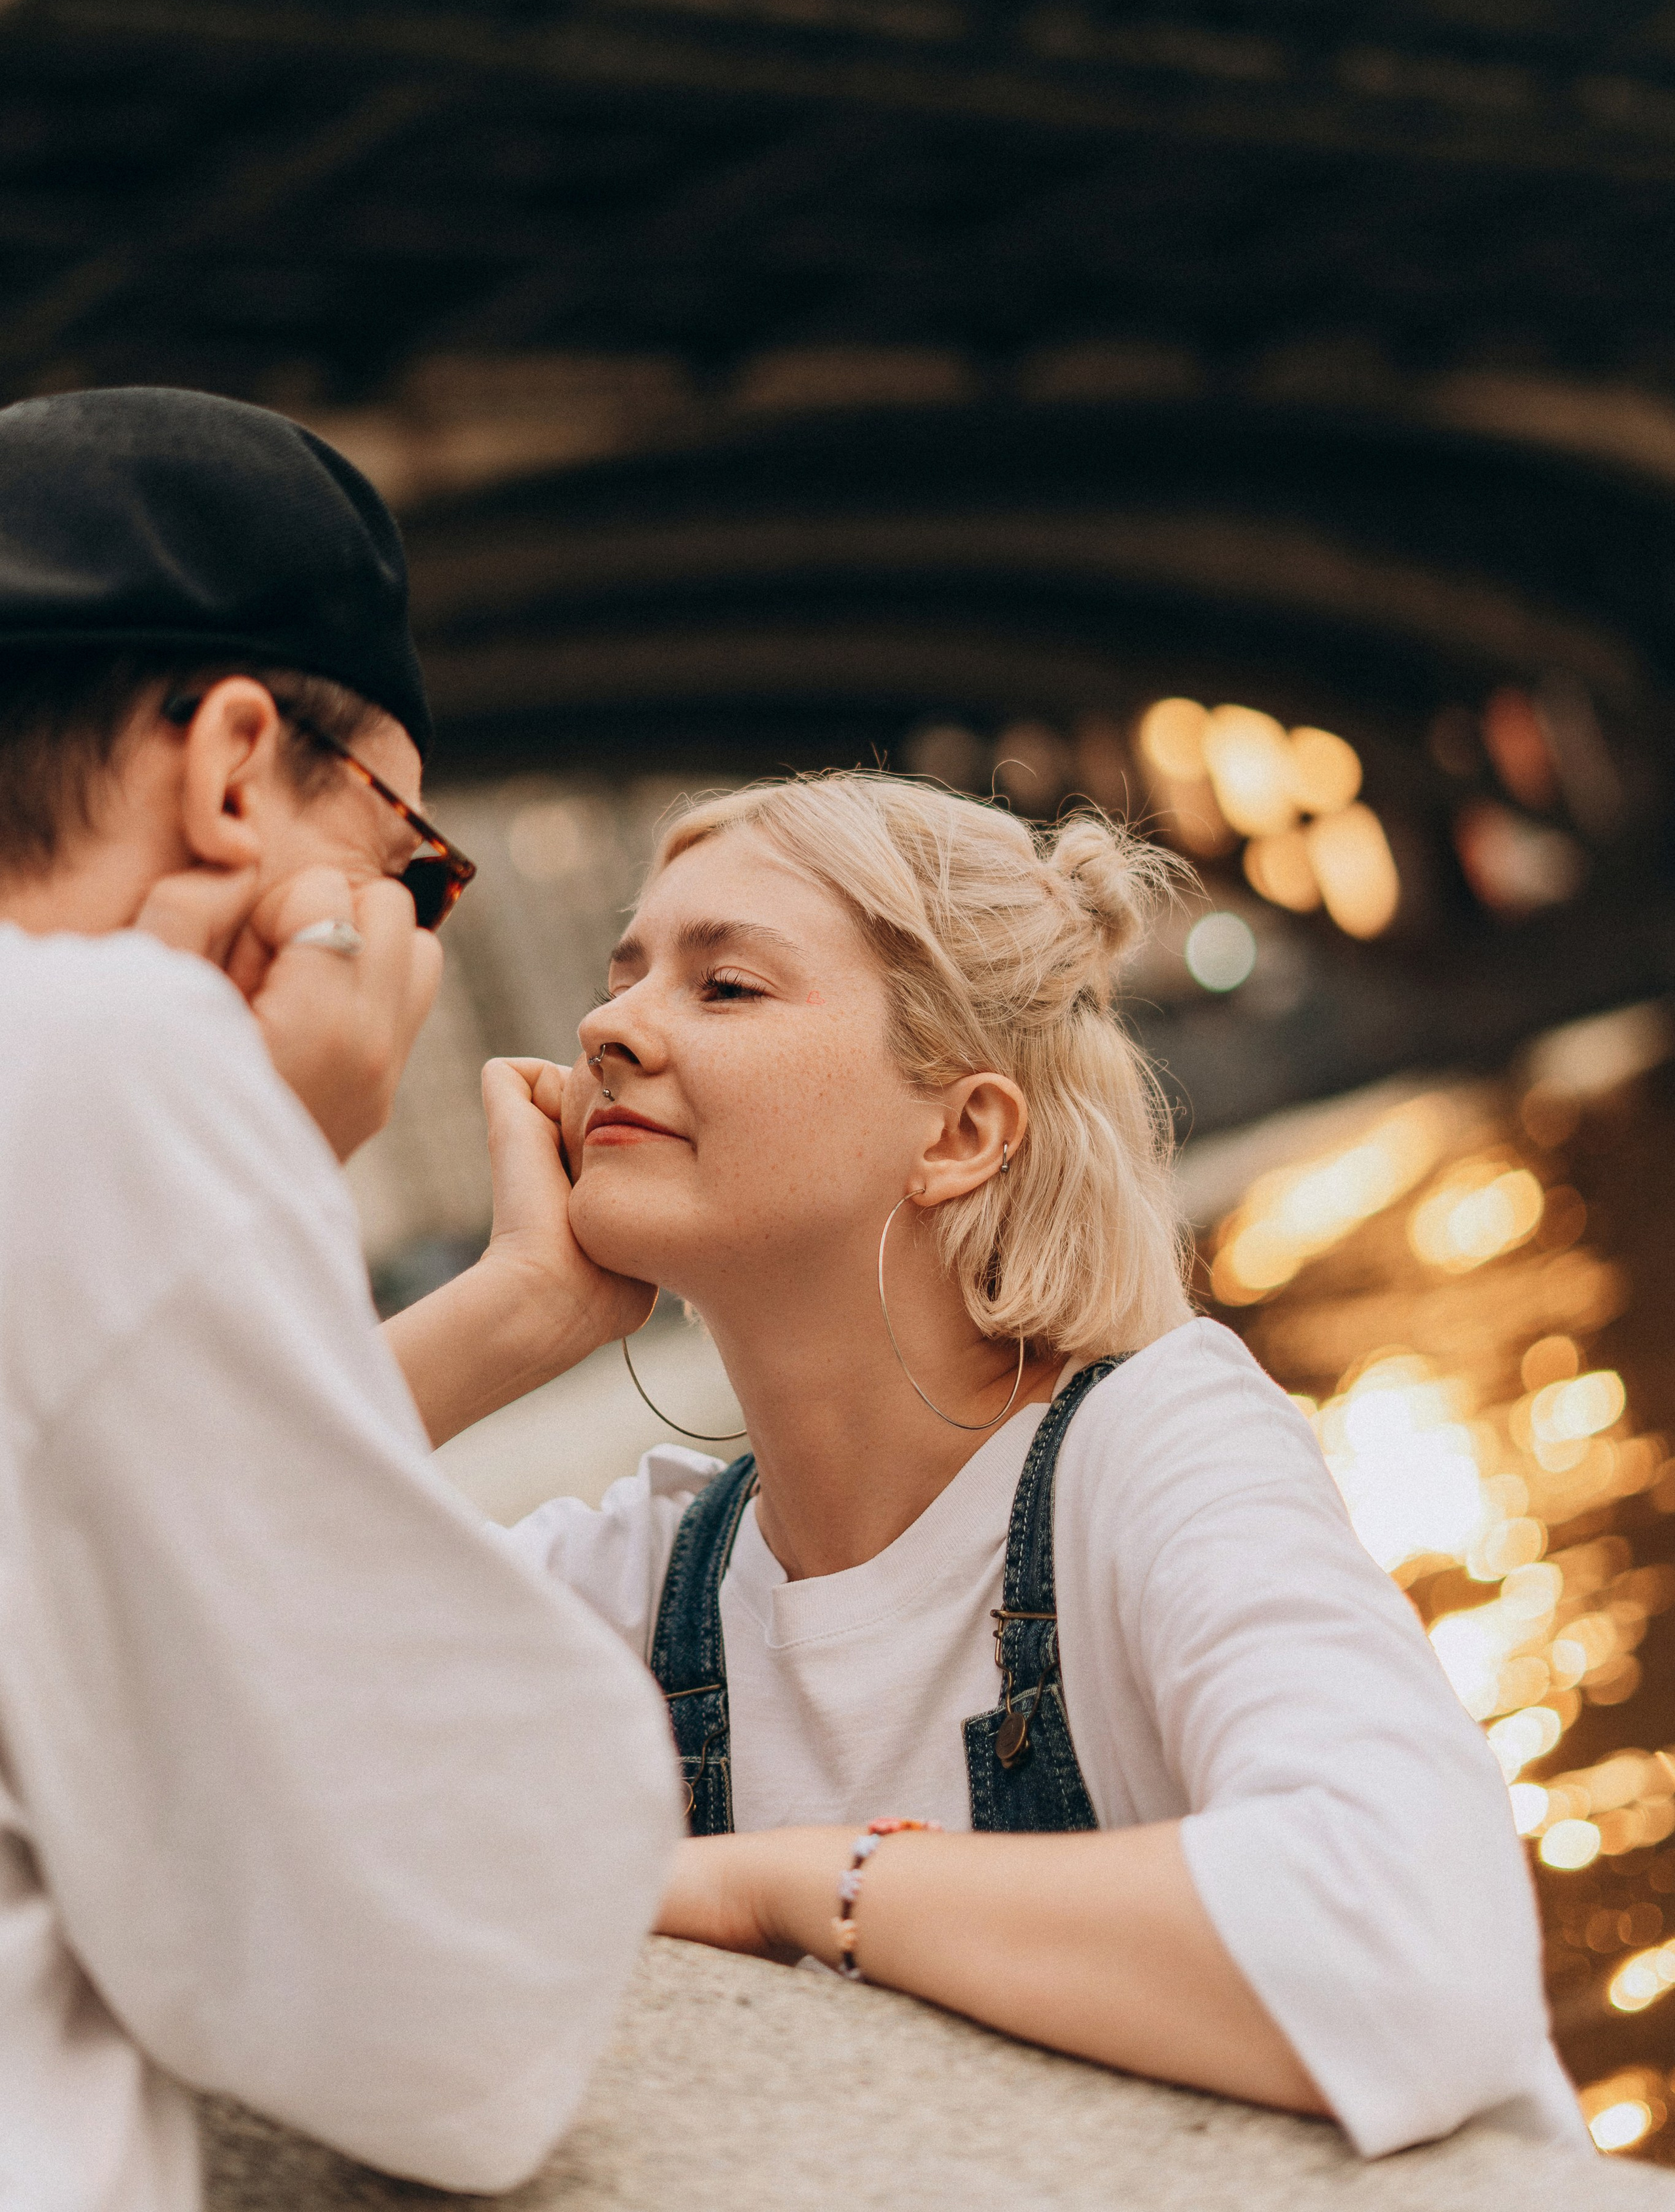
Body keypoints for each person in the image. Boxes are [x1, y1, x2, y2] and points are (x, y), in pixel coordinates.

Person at [419, 769, 1583, 2160]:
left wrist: (792, 1888)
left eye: (722, 986)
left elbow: (1412, 1940)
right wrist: (503, 1318)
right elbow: (144, 1686)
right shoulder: (643, 1582)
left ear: (959, 1135)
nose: (609, 1026)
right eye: (622, 978)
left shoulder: (1153, 1450)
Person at [0, 387, 680, 2212]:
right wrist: (264, 1139)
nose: (412, 932)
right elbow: (463, 1994)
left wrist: (512, 1316)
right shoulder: (92, 1055)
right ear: (234, 771)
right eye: (405, 856)